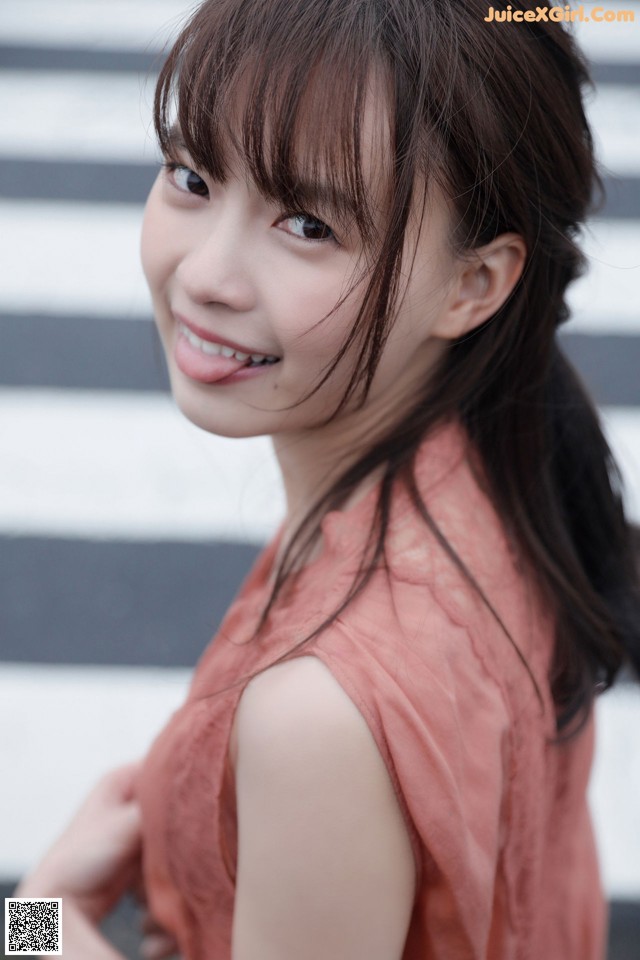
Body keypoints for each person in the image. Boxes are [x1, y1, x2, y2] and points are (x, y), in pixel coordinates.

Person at [15, 0, 640, 958]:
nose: (208, 275)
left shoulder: (319, 717)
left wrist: (39, 920)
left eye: (307, 223)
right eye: (191, 175)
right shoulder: (507, 472)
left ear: (473, 285)